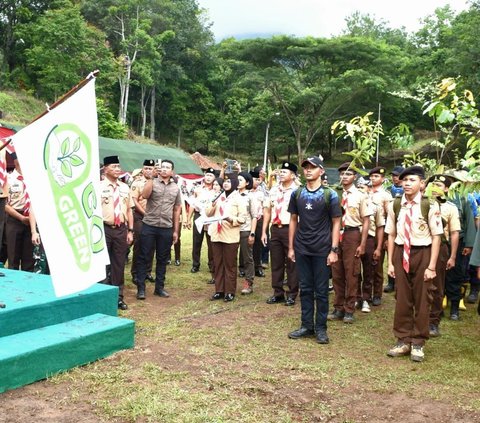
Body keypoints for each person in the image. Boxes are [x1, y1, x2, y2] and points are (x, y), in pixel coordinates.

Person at [385, 166, 443, 362]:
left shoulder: (430, 206)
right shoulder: (396, 204)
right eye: (404, 180)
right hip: (401, 252)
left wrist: (432, 266)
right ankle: (403, 340)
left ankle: (418, 342)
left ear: (422, 184)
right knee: (402, 297)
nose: (407, 183)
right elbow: (391, 234)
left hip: (423, 252)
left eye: (411, 180)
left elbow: (436, 237)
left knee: (422, 298)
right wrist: (391, 263)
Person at [287, 156, 341, 344]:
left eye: (312, 167)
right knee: (306, 288)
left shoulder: (330, 194)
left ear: (321, 170)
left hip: (322, 249)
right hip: (302, 247)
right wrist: (291, 246)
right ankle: (306, 325)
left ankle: (321, 328)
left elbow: (336, 223)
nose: (308, 170)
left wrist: (334, 250)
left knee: (321, 290)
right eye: (306, 167)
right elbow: (293, 220)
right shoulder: (297, 194)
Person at [329, 162, 371, 324]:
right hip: (336, 234)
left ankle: (349, 308)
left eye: (347, 174)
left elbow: (366, 221)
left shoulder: (360, 195)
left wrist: (362, 243)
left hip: (352, 234)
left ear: (355, 176)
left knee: (352, 272)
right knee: (337, 271)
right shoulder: (334, 194)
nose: (344, 177)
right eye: (341, 174)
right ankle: (338, 307)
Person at [135, 159, 181, 300]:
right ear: (159, 170)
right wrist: (151, 178)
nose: (165, 169)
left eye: (168, 167)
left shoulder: (176, 188)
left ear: (172, 171)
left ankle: (159, 288)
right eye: (163, 167)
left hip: (166, 227)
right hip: (149, 224)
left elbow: (177, 209)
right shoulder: (153, 182)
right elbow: (145, 195)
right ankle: (141, 289)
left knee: (162, 258)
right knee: (144, 257)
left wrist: (176, 231)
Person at [426, 175, 460, 337]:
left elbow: (454, 233)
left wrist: (452, 256)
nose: (435, 187)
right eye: (432, 184)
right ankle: (418, 317)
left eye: (439, 185)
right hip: (421, 247)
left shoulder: (450, 208)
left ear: (446, 189)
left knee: (437, 286)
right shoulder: (421, 203)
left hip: (440, 249)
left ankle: (433, 321)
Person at [261, 162, 299, 306]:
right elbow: (267, 210)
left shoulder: (297, 191)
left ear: (293, 175)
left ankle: (292, 293)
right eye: (281, 171)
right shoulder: (274, 190)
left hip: (291, 228)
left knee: (292, 262)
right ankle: (278, 293)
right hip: (275, 228)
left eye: (285, 171)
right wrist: (264, 230)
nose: (281, 173)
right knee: (276, 262)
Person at [100, 155, 134, 310]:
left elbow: (129, 210)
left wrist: (130, 231)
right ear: (105, 168)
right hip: (103, 228)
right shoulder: (97, 187)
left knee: (119, 264)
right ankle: (103, 295)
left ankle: (118, 297)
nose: (117, 169)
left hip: (121, 229)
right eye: (114, 166)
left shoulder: (125, 187)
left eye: (119, 167)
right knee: (103, 264)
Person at [206, 175, 246, 301]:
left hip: (230, 236)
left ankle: (229, 291)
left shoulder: (239, 198)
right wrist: (212, 204)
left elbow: (243, 218)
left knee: (229, 264)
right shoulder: (218, 196)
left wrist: (231, 219)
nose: (226, 184)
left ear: (234, 183)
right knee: (218, 263)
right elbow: (208, 213)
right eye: (224, 181)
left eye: (229, 181)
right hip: (216, 235)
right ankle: (219, 290)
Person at [5, 157, 34, 271]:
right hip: (14, 219)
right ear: (17, 162)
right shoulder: (8, 179)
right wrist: (21, 218)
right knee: (13, 257)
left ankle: (29, 286)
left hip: (32, 220)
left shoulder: (33, 178)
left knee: (29, 259)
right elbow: (5, 205)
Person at [368, 166, 392, 306]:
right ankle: (366, 292)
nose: (373, 178)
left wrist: (387, 238)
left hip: (379, 232)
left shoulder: (385, 195)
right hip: (367, 231)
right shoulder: (365, 192)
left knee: (377, 264)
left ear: (382, 179)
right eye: (371, 176)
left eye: (376, 176)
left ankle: (377, 293)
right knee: (366, 264)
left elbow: (389, 217)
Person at [130, 160, 156, 285]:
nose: (148, 171)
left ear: (154, 170)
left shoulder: (157, 182)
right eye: (146, 168)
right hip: (140, 216)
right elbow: (134, 201)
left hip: (154, 218)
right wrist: (145, 214)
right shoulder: (137, 183)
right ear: (142, 169)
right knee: (139, 245)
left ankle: (147, 272)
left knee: (151, 245)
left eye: (150, 168)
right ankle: (135, 273)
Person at [186, 168, 215, 275]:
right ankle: (195, 264)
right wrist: (188, 219)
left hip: (210, 217)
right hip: (198, 216)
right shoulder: (198, 189)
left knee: (211, 242)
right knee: (197, 241)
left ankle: (212, 265)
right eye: (207, 175)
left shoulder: (216, 189)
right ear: (204, 176)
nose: (208, 177)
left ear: (214, 178)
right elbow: (192, 205)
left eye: (211, 176)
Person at [237, 171, 258, 295]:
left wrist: (252, 233)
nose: (238, 182)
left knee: (247, 258)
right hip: (232, 230)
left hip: (245, 230)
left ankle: (248, 282)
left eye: (241, 180)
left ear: (247, 183)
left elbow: (254, 216)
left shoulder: (250, 197)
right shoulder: (233, 195)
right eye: (237, 179)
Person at [249, 169, 268, 277]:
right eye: (253, 179)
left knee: (258, 244)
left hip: (259, 219)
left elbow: (266, 207)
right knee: (246, 244)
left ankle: (258, 267)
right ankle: (242, 267)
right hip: (248, 220)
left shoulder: (262, 192)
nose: (256, 181)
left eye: (257, 179)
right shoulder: (245, 192)